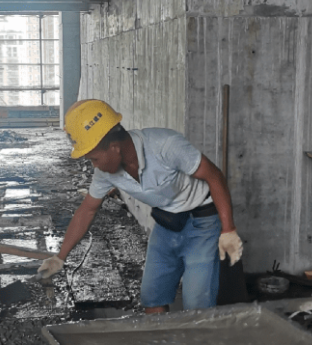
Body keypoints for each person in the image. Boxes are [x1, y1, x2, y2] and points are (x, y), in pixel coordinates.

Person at [37, 99, 243, 313]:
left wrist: (228, 229)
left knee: (197, 305)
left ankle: (197, 334)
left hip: (202, 223)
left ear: (115, 148)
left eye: (95, 158)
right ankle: (159, 334)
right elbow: (87, 210)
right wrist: (60, 257)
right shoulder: (105, 173)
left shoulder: (165, 146)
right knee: (152, 297)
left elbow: (214, 176)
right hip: (167, 223)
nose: (94, 165)